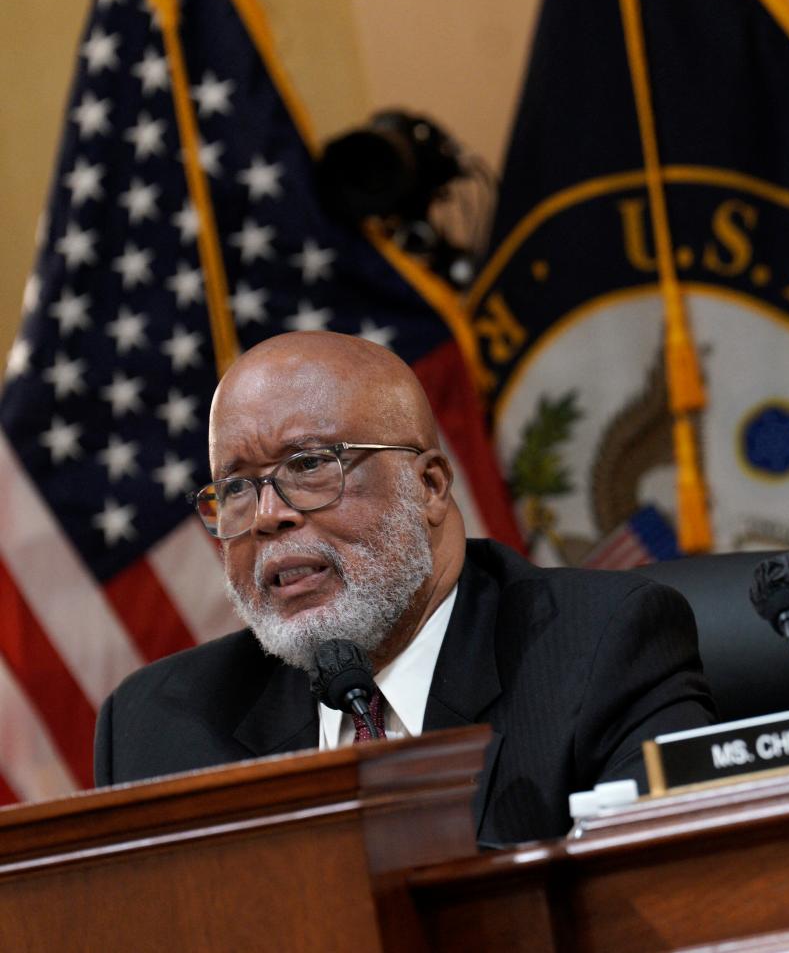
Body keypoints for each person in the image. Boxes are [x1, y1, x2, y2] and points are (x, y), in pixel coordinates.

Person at [94, 331, 715, 844]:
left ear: (430, 487)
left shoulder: (600, 648)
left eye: (309, 465)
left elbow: (670, 904)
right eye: (234, 488)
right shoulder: (159, 728)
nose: (265, 516)